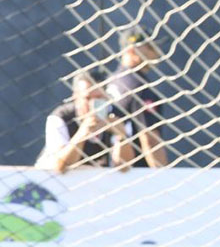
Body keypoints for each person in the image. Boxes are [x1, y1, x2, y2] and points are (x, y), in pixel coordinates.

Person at [36, 69, 136, 172]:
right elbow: (60, 167)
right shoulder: (61, 117)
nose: (93, 103)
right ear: (75, 97)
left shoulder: (117, 116)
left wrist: (122, 136)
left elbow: (124, 167)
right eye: (87, 98)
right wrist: (83, 133)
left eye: (99, 98)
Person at [107, 26, 170, 168]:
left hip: (108, 169)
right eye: (150, 47)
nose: (157, 53)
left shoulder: (111, 82)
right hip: (135, 173)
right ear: (132, 50)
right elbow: (150, 140)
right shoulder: (139, 88)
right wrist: (164, 177)